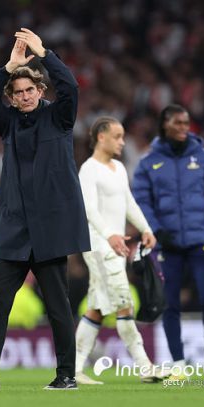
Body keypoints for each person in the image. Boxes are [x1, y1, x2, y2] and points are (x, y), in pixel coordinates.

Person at [0, 29, 90, 392]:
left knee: (58, 307)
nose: (25, 96)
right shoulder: (9, 121)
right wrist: (9, 67)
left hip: (49, 229)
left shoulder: (59, 117)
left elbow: (70, 88)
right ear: (11, 98)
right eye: (18, 92)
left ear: (41, 91)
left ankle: (66, 375)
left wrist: (45, 54)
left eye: (30, 90)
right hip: (14, 228)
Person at [132, 104, 204, 380]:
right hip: (168, 245)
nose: (183, 128)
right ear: (164, 124)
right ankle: (178, 364)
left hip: (201, 242)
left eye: (186, 123)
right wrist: (156, 231)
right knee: (170, 304)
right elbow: (141, 202)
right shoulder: (148, 163)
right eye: (177, 123)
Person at [74, 117, 167, 385]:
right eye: (117, 136)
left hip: (114, 245)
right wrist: (110, 234)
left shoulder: (119, 168)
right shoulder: (89, 169)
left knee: (97, 308)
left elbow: (129, 202)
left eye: (123, 136)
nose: (122, 142)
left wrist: (146, 229)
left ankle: (73, 369)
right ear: (101, 137)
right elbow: (88, 209)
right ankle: (145, 366)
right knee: (125, 303)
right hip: (98, 245)